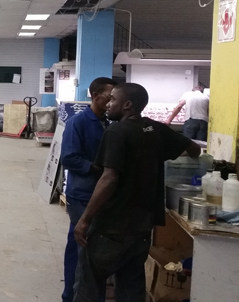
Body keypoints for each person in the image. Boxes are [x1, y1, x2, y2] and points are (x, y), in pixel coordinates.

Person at [73, 83, 200, 302]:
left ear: (127, 105)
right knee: (131, 286)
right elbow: (194, 148)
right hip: (142, 226)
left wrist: (85, 219)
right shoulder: (156, 129)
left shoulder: (117, 131)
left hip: (112, 225)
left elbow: (109, 179)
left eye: (113, 99)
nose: (108, 104)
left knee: (89, 283)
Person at [60, 77, 117, 302]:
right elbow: (68, 157)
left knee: (81, 247)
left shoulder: (108, 124)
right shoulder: (78, 123)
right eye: (109, 97)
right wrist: (99, 169)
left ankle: (74, 296)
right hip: (82, 194)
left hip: (100, 194)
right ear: (95, 96)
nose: (112, 102)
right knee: (84, 250)